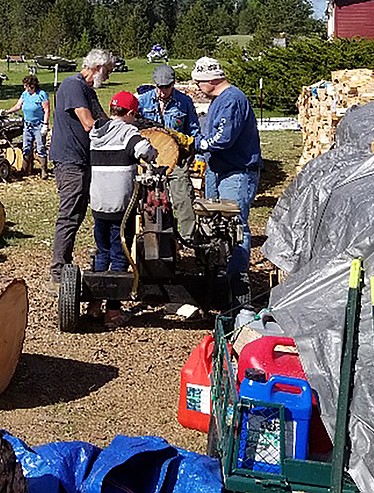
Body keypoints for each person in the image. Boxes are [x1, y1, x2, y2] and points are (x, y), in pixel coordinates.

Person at [192, 56, 261, 307]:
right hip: (220, 169)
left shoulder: (231, 99)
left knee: (235, 226)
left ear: (211, 79)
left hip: (236, 171)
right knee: (215, 224)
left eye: (199, 81)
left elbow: (223, 138)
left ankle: (238, 281)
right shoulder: (220, 100)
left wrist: (197, 144)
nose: (197, 86)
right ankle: (219, 273)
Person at [88, 90, 157, 329]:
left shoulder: (97, 133)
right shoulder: (128, 132)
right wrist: (152, 153)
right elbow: (143, 151)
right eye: (134, 115)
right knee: (120, 254)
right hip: (121, 206)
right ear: (129, 114)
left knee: (102, 251)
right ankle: (113, 311)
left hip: (98, 203)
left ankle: (94, 304)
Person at [48, 48, 115, 288]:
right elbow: (89, 123)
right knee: (69, 215)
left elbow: (103, 119)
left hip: (83, 160)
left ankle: (64, 266)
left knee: (77, 214)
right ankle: (58, 272)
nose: (106, 78)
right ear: (96, 68)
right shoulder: (72, 85)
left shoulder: (87, 90)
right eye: (106, 72)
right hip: (70, 161)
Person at [137, 64, 201, 239]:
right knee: (139, 198)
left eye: (167, 87)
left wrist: (199, 155)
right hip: (146, 160)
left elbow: (194, 132)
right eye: (160, 86)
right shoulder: (143, 101)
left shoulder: (184, 102)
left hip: (176, 159)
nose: (163, 91)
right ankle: (141, 235)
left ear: (173, 84)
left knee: (183, 197)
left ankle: (189, 237)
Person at [1, 73, 51, 178]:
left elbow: (47, 110)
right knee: (26, 147)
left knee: (40, 147)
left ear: (32, 86)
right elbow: (18, 106)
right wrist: (7, 112)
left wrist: (45, 125)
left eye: (26, 85)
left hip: (38, 125)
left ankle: (44, 170)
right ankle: (25, 170)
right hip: (28, 125)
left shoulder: (41, 94)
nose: (24, 87)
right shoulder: (25, 94)